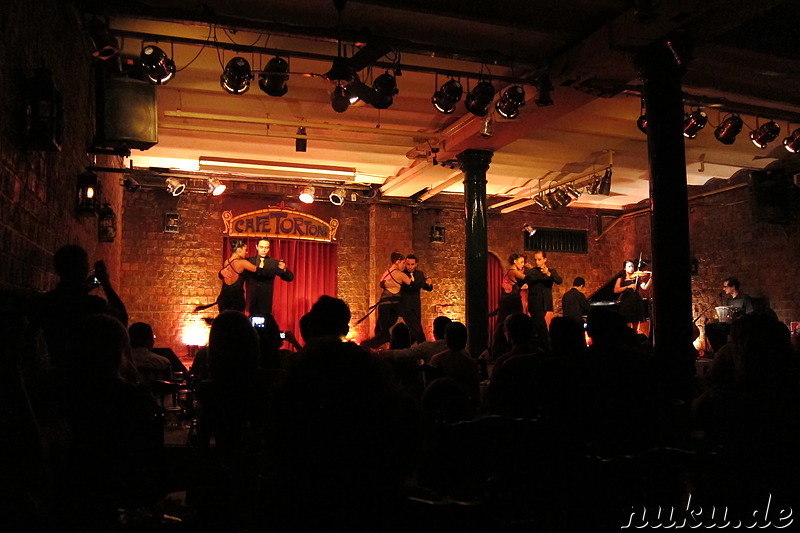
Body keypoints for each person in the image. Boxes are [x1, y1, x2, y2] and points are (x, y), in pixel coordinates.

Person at [33, 244, 128, 368]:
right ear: (84, 269)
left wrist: (85, 286)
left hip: (60, 370)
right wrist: (106, 283)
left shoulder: (45, 302)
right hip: (90, 373)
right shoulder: (94, 305)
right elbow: (121, 318)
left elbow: (68, 297)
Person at [361, 252, 412, 349]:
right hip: (393, 304)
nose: (404, 265)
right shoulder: (400, 274)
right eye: (403, 262)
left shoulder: (385, 273)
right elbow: (412, 284)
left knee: (382, 330)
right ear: (397, 262)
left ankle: (373, 345)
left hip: (383, 304)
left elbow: (382, 284)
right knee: (407, 321)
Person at [244, 238, 294, 317]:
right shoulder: (248, 261)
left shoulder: (274, 263)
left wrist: (284, 269)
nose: (264, 250)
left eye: (266, 248)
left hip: (266, 300)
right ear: (256, 247)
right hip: (251, 299)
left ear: (269, 248)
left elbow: (290, 278)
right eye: (261, 247)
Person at [523, 249, 562, 333]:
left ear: (545, 259)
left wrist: (548, 273)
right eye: (535, 260)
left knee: (541, 327)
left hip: (546, 304)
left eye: (539, 259)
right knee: (539, 327)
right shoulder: (531, 272)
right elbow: (525, 280)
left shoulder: (551, 271)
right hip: (535, 304)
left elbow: (559, 281)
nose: (537, 262)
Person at [400, 254, 433, 344]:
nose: (410, 267)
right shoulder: (402, 274)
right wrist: (421, 283)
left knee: (413, 334)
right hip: (406, 307)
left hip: (416, 306)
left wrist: (429, 284)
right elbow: (409, 287)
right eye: (408, 264)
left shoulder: (419, 274)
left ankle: (405, 351)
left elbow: (427, 288)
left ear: (416, 264)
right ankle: (424, 350)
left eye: (412, 264)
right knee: (418, 332)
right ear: (405, 264)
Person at [613, 259, 652, 332]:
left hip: (636, 301)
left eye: (633, 267)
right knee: (626, 323)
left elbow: (645, 287)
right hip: (626, 302)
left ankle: (635, 339)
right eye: (629, 266)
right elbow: (616, 290)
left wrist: (651, 279)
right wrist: (628, 287)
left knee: (636, 324)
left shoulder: (637, 278)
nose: (631, 268)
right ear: (625, 268)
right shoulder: (621, 279)